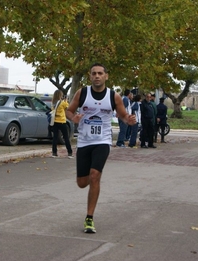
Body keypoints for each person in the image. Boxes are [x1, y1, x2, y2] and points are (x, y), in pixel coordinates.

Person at [66, 63, 136, 233]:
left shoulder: (114, 96)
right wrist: (73, 118)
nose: (97, 76)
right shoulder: (82, 93)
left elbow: (123, 115)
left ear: (106, 76)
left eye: (100, 73)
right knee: (82, 183)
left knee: (95, 176)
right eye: (93, 73)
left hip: (103, 141)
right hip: (84, 142)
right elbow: (69, 111)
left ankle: (89, 218)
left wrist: (129, 120)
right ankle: (90, 180)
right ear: (90, 76)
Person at [50, 90, 73, 158]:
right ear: (60, 95)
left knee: (55, 137)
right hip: (62, 121)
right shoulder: (62, 103)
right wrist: (66, 100)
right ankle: (69, 152)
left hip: (55, 122)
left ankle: (54, 153)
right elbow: (68, 107)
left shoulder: (53, 103)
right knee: (66, 137)